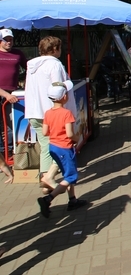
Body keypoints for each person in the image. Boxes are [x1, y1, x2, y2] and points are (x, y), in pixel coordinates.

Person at [25, 36, 77, 194]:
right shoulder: (55, 65)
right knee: (62, 146)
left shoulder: (33, 66)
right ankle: (50, 179)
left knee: (46, 148)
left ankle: (46, 184)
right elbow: (59, 89)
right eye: (60, 48)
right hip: (52, 113)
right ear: (54, 49)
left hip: (35, 112)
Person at [36, 80, 87, 218]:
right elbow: (70, 134)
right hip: (65, 147)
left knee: (67, 173)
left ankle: (72, 200)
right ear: (64, 97)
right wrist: (77, 138)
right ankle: (48, 199)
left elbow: (45, 131)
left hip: (53, 147)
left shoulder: (48, 113)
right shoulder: (66, 113)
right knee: (71, 176)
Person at [0, 28, 27, 154]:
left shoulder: (18, 53)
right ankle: (2, 155)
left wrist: (28, 84)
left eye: (11, 40)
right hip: (3, 92)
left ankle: (12, 151)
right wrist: (5, 94)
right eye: (6, 40)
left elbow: (29, 69)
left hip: (13, 92)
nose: (9, 42)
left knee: (12, 122)